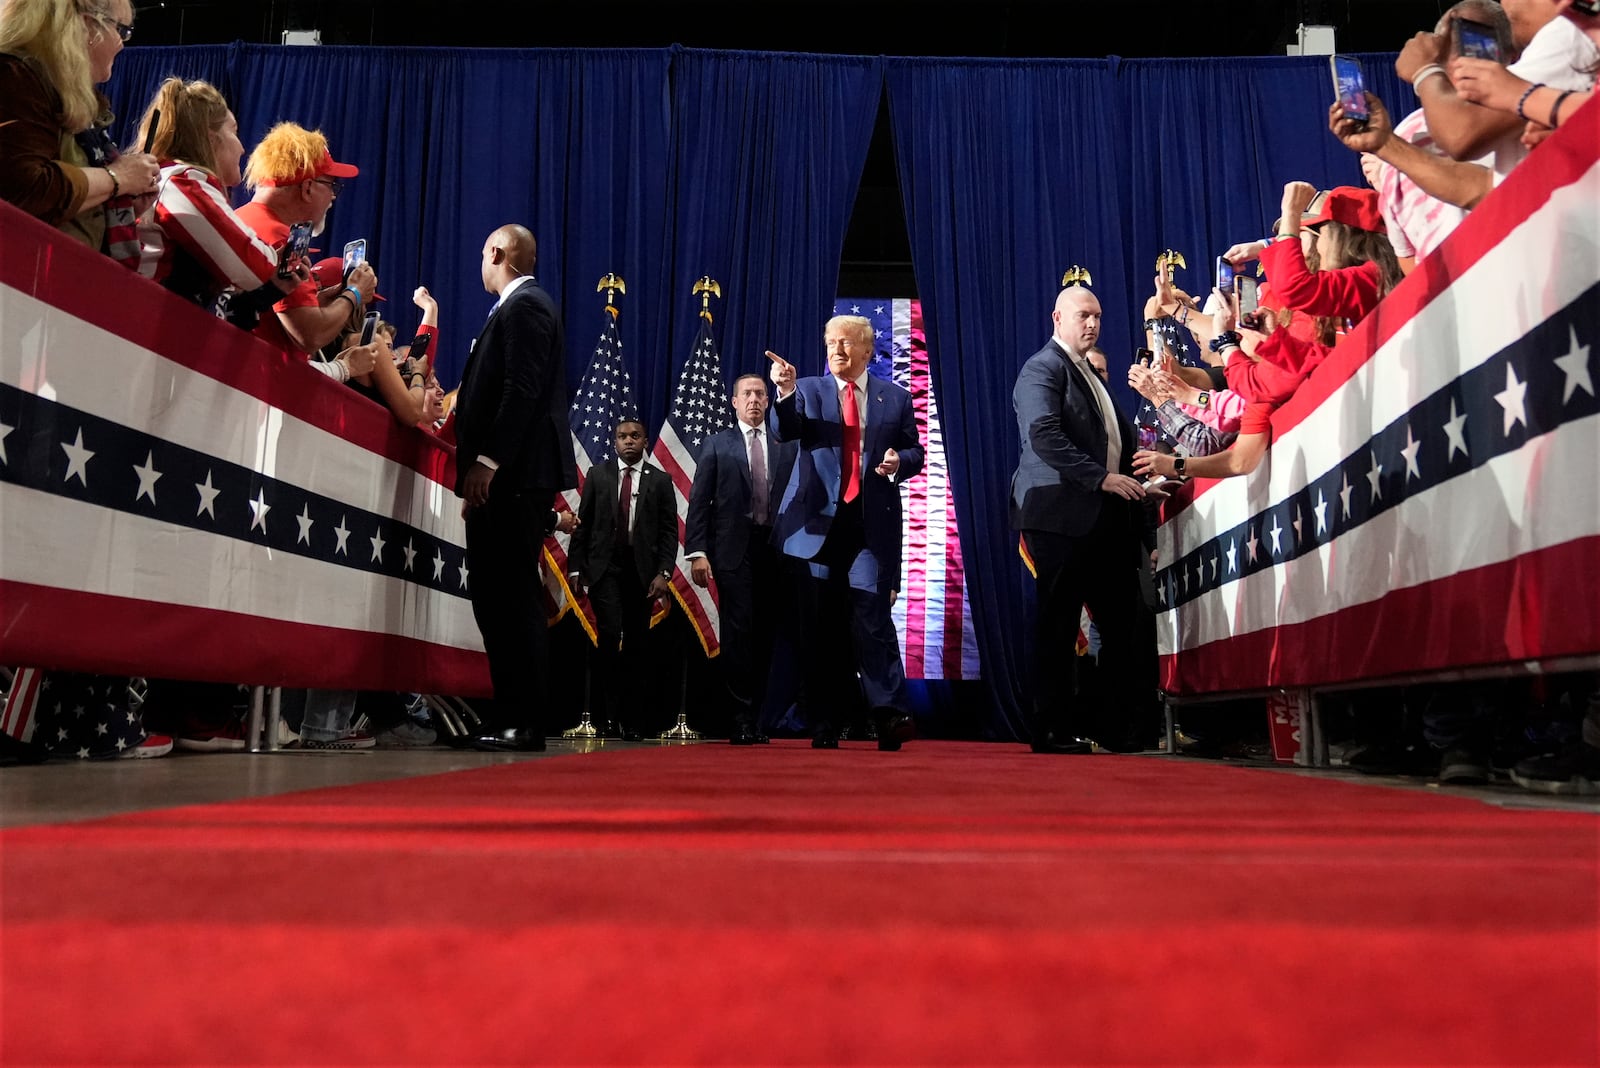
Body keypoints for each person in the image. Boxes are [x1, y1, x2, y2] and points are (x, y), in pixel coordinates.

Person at [766, 314, 924, 750]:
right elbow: (784, 430)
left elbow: (916, 451)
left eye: (847, 343)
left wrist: (899, 461)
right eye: (831, 342)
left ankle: (890, 716)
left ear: (868, 350)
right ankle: (823, 723)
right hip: (815, 528)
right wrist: (783, 391)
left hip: (869, 527)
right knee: (821, 628)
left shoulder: (895, 398)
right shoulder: (808, 391)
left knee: (872, 620)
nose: (837, 350)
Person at [1011, 286, 1157, 754]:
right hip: (1060, 516)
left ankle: (1115, 729)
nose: (1091, 324)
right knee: (1057, 626)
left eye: (1097, 315)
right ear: (1057, 317)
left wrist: (1146, 473)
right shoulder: (1043, 368)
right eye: (1082, 315)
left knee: (1121, 625)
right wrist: (1102, 479)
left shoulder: (1090, 373)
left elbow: (1116, 443)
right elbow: (1044, 436)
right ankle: (1050, 729)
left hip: (1106, 520)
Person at [453, 224, 578, 752]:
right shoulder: (516, 307)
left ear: (498, 253)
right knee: (494, 595)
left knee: (511, 595)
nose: (481, 265)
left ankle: (524, 721)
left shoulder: (525, 306)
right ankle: (506, 714)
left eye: (484, 255)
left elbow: (521, 390)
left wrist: (487, 461)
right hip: (508, 478)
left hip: (514, 475)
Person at [685, 373, 799, 745]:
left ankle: (758, 716)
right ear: (734, 402)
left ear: (768, 402)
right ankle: (740, 718)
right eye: (747, 394)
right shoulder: (718, 445)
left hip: (776, 550)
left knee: (765, 633)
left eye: (760, 394)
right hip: (733, 551)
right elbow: (700, 502)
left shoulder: (786, 446)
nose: (754, 400)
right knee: (739, 631)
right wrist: (698, 552)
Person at [129, 78, 303, 318]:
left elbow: (224, 309)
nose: (242, 147)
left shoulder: (180, 183)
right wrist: (272, 262)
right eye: (234, 132)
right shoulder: (180, 183)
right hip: (134, 330)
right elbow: (256, 267)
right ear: (211, 139)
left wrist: (273, 287)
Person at [0, 0, 159, 249]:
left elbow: (62, 209)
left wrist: (115, 202)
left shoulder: (53, 90)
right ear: (88, 27)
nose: (122, 44)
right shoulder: (16, 79)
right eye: (121, 30)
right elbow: (26, 190)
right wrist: (118, 177)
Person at [567, 419, 679, 740]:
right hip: (606, 570)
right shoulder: (598, 476)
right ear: (614, 441)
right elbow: (583, 525)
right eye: (622, 436)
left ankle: (633, 721)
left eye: (635, 436)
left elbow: (669, 532)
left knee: (636, 645)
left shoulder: (660, 480)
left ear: (645, 441)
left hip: (642, 573)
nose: (628, 441)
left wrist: (664, 572)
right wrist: (576, 568)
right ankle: (608, 717)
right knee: (608, 636)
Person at [236, 122, 377, 363]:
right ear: (308, 188)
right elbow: (310, 335)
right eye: (331, 185)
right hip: (256, 383)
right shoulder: (282, 239)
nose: (333, 196)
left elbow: (272, 312)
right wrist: (354, 293)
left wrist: (325, 300)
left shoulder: (240, 217)